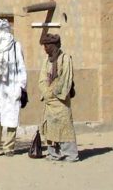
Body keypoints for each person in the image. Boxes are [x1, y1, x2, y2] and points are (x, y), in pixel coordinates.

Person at [0, 18, 27, 156]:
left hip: (11, 87)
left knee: (10, 117)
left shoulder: (16, 46)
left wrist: (22, 86)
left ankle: (9, 148)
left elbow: (21, 67)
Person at [38, 33, 78, 162]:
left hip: (60, 100)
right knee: (51, 128)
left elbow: (65, 78)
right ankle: (53, 154)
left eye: (47, 46)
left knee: (65, 126)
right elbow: (43, 78)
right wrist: (46, 92)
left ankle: (70, 154)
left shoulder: (65, 59)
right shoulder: (46, 61)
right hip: (49, 101)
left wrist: (54, 92)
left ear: (53, 46)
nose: (45, 48)